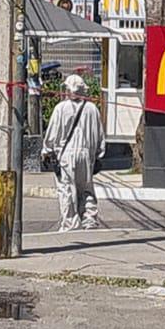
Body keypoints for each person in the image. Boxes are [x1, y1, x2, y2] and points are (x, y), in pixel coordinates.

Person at [42, 73, 103, 231]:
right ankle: (89, 219)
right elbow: (99, 135)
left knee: (67, 189)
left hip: (66, 154)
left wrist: (46, 151)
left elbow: (52, 133)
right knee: (87, 187)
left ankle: (70, 222)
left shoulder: (61, 108)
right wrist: (98, 155)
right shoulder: (92, 109)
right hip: (87, 154)